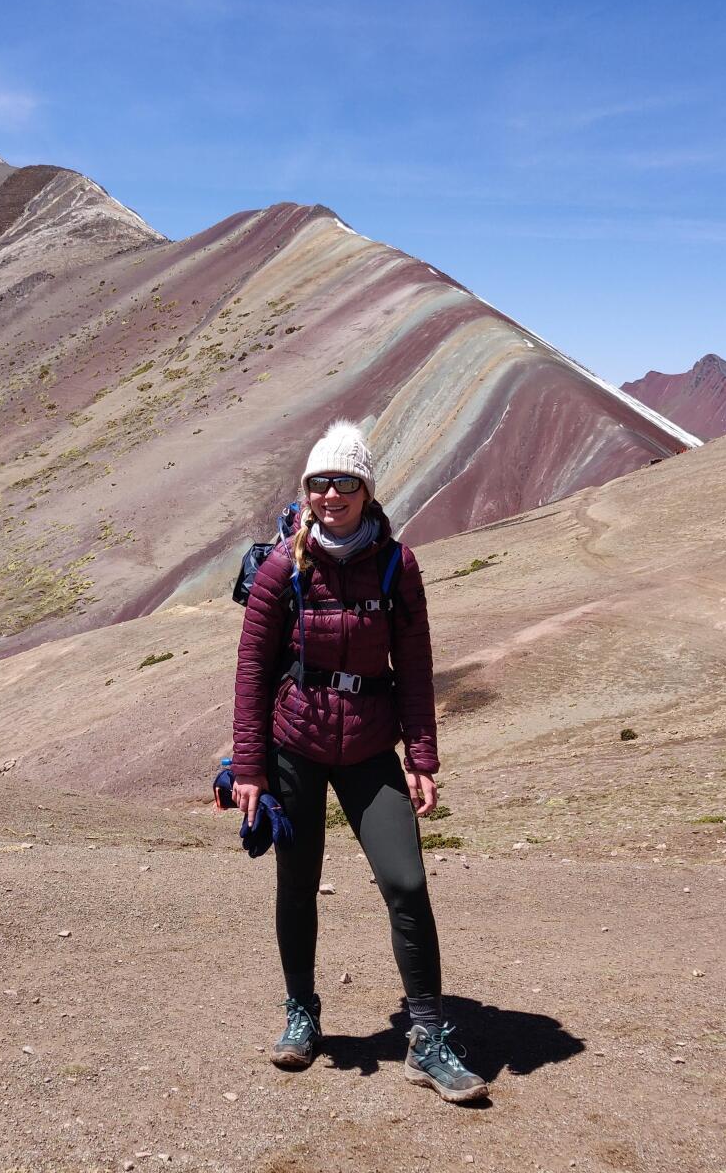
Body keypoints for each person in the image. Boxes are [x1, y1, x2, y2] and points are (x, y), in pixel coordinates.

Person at [230, 420, 488, 1104]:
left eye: (345, 481)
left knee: (406, 883)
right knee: (297, 882)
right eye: (319, 482)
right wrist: (250, 768)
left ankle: (428, 1037)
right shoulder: (285, 567)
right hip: (296, 745)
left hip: (371, 746)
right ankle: (301, 1014)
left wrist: (421, 755)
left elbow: (417, 662)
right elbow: (253, 669)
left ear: (367, 489)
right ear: (307, 490)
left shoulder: (397, 566)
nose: (331, 493)